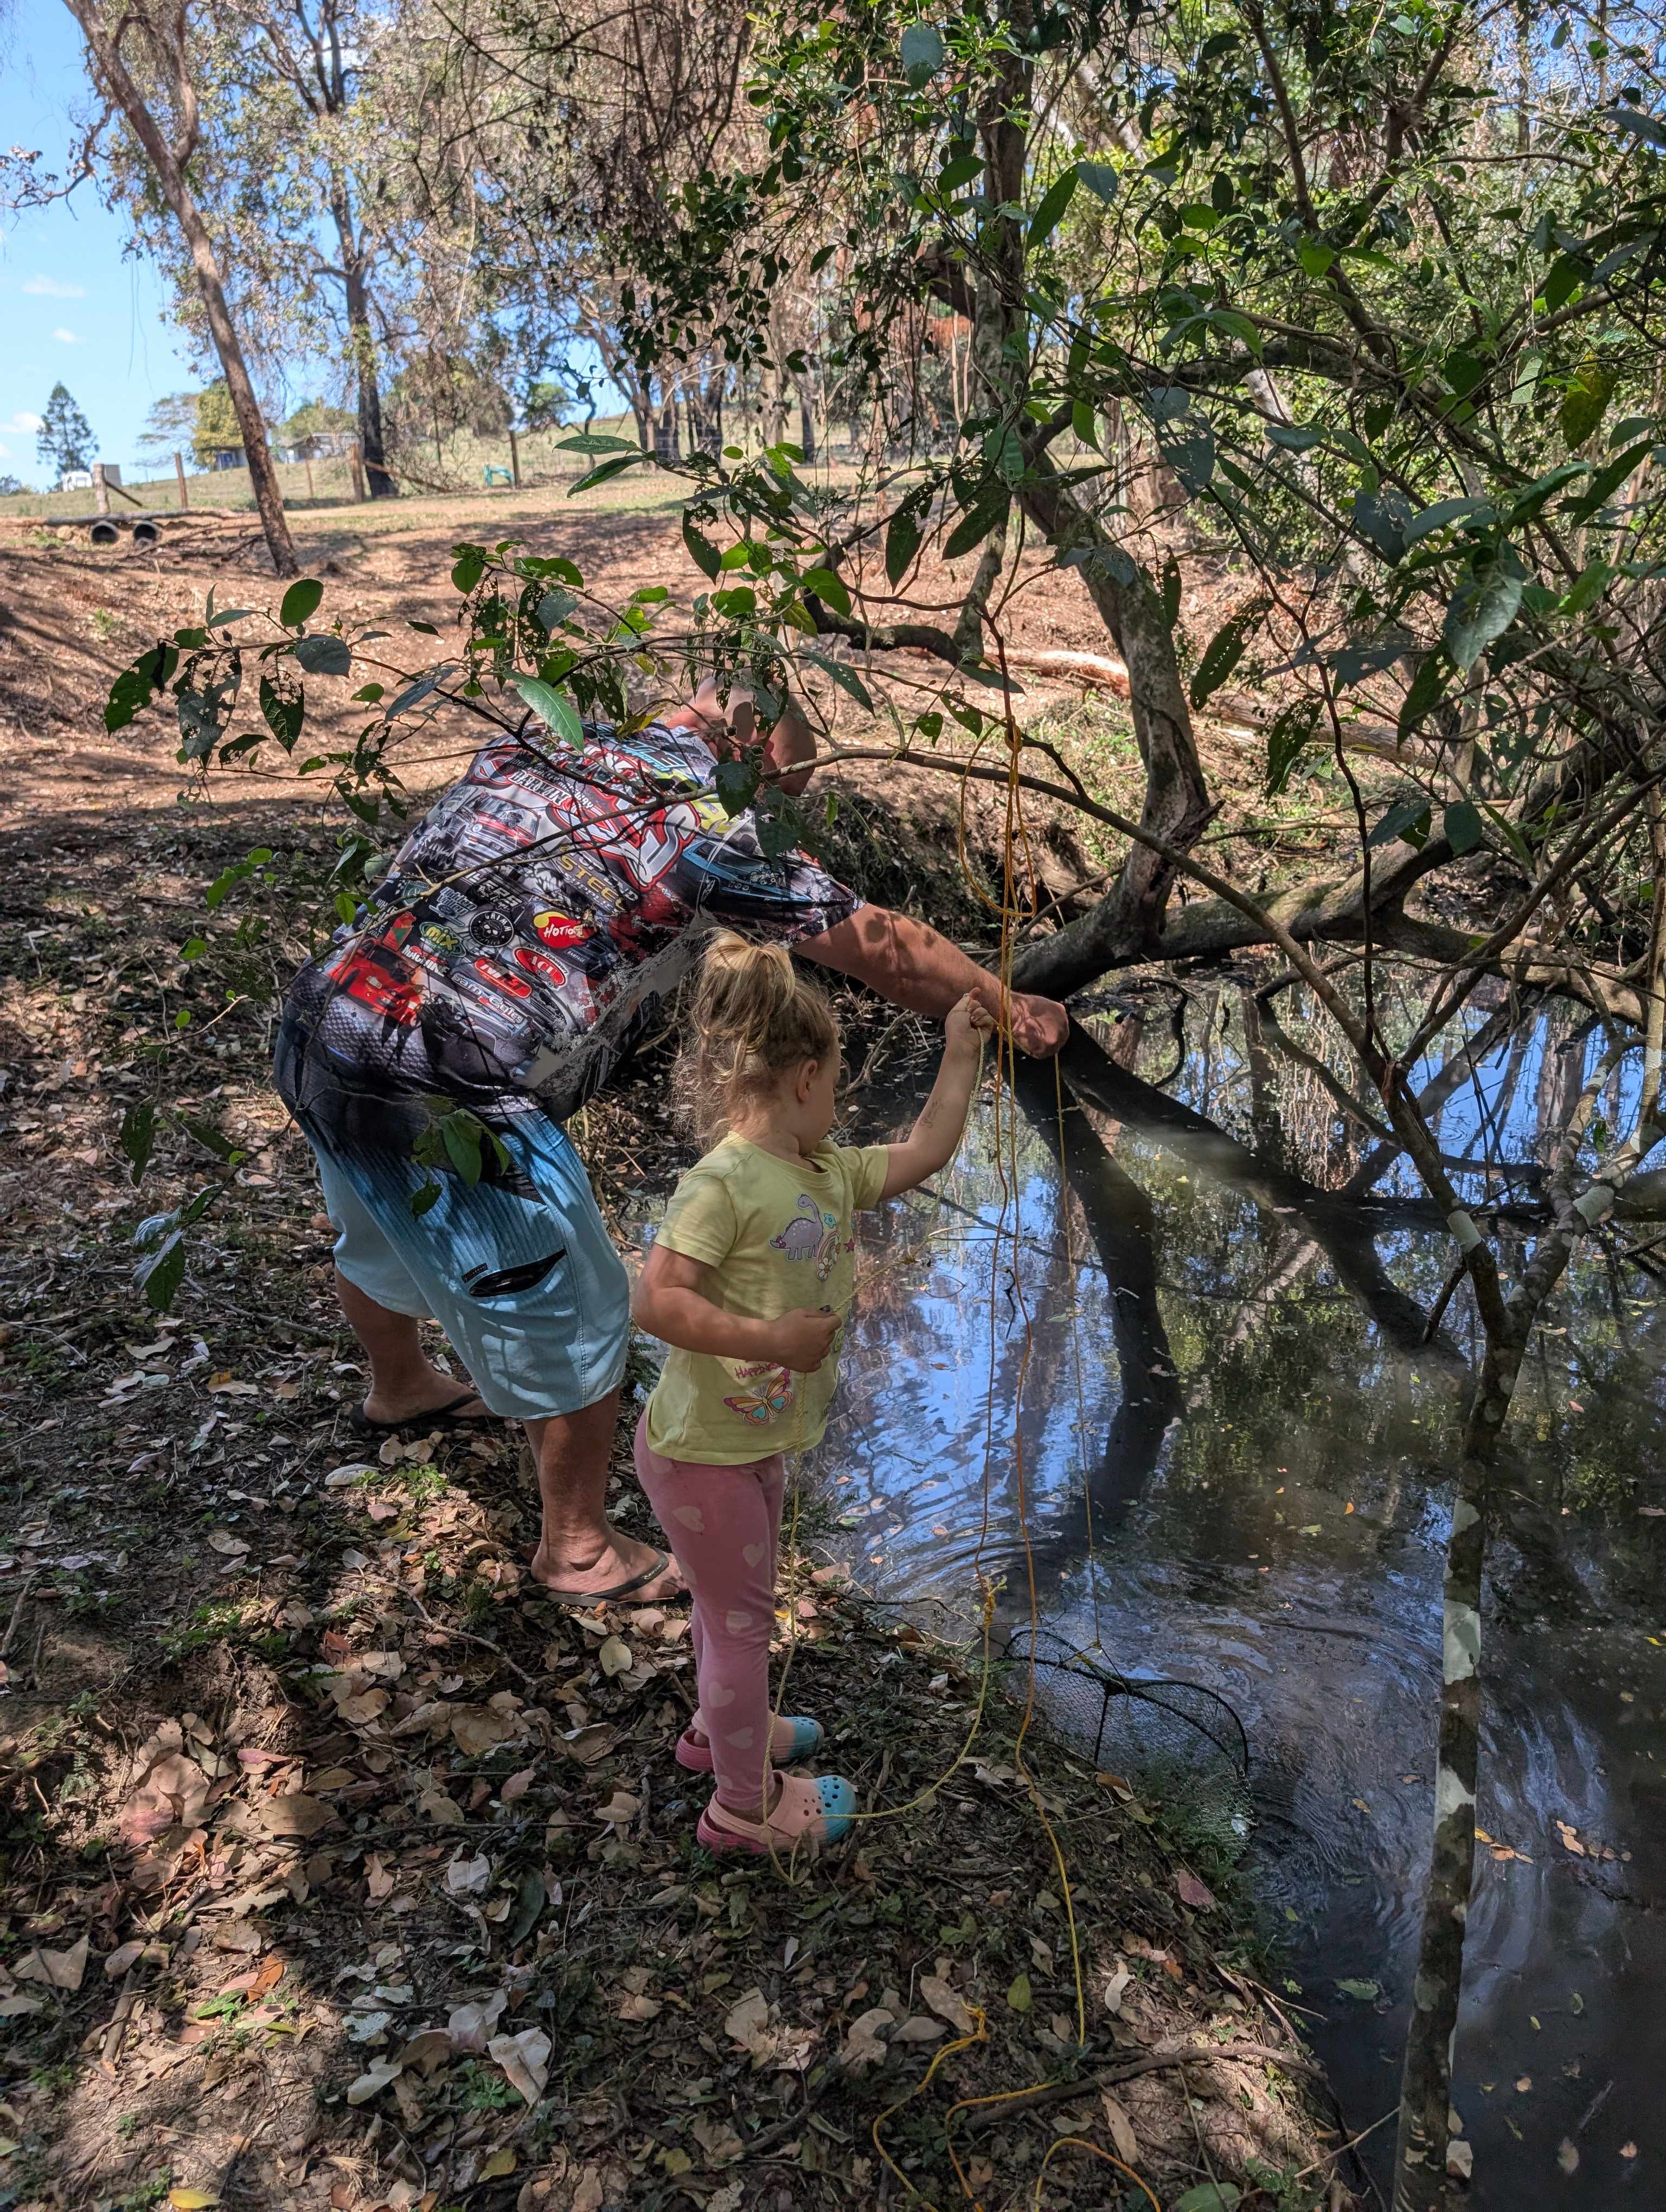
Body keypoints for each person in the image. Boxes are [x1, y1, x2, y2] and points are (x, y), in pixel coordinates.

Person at [273, 678, 1067, 1607]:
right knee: (579, 1305)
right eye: (786, 793)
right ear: (754, 748)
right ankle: (575, 1550)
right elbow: (884, 948)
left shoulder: (547, 743)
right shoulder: (711, 819)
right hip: (453, 1080)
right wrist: (1006, 1004)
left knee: (376, 1224)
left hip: (328, 1019)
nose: (781, 817)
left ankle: (400, 1385)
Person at [630, 934, 994, 1851]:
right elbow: (657, 1299)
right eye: (837, 1083)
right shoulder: (723, 1182)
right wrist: (771, 1341)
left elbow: (925, 1150)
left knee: (731, 1612)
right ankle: (742, 1809)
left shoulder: (824, 1170)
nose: (842, 1102)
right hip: (698, 1453)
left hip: (746, 1445)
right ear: (801, 1079)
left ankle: (719, 1734)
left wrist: (961, 1049)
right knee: (745, 1622)